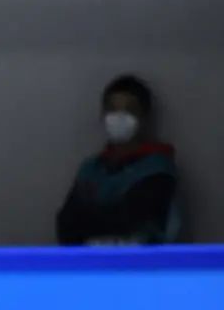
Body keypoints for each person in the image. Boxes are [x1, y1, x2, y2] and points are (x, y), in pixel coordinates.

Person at [56, 74, 180, 246]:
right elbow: (65, 222)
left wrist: (88, 217)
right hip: (89, 265)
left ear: (144, 118)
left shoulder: (158, 168)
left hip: (141, 266)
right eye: (112, 109)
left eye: (129, 110)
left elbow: (131, 218)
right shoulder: (90, 168)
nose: (119, 116)